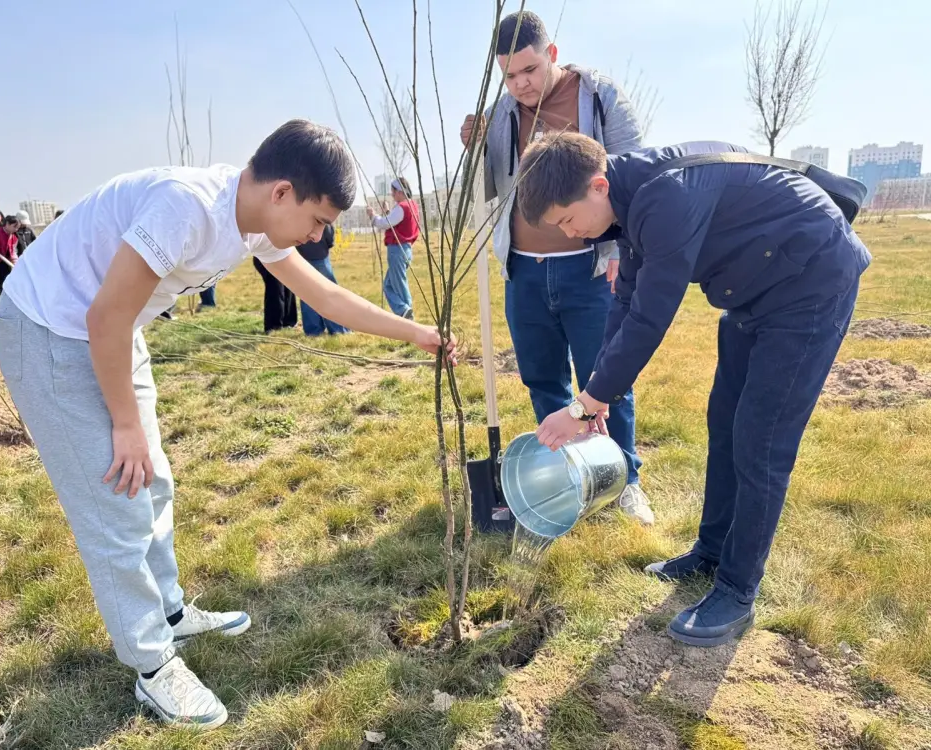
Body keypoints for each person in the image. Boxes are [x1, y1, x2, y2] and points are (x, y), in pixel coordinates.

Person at [0, 119, 455, 730]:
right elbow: (104, 314)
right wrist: (124, 427)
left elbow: (328, 299)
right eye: (318, 221)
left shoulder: (255, 221)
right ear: (282, 193)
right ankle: (153, 667)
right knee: (117, 501)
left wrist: (419, 335)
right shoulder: (185, 209)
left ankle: (170, 614)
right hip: (54, 330)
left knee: (153, 481)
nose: (319, 236)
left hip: (110, 330)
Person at [517, 132, 871, 648]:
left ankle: (736, 590)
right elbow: (627, 302)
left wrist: (584, 405)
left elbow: (650, 318)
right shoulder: (629, 200)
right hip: (757, 291)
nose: (570, 234)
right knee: (724, 422)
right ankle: (710, 551)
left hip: (810, 284)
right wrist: (597, 393)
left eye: (567, 220)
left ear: (597, 185)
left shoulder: (665, 198)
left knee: (761, 440)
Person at [459, 10, 652, 524]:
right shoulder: (502, 116)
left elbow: (634, 179)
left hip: (590, 268)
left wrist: (619, 252)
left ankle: (624, 478)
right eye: (509, 75)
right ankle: (569, 475)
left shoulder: (598, 97)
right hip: (524, 270)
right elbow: (487, 191)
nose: (520, 84)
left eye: (529, 69)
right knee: (542, 378)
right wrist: (474, 150)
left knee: (605, 380)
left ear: (552, 55)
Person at [367, 177, 418, 319]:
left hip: (397, 250)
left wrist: (373, 216)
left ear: (400, 192)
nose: (392, 195)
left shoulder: (402, 207)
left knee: (400, 286)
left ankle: (407, 318)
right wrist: (389, 211)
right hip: (406, 249)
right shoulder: (412, 205)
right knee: (388, 285)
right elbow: (397, 223)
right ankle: (404, 311)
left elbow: (385, 223)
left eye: (393, 192)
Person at [296, 223, 349, 336]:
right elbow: (330, 237)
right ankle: (337, 329)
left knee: (307, 295)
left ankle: (313, 331)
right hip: (321, 257)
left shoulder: (298, 213)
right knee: (329, 293)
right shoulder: (321, 211)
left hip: (302, 258)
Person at [253, 256, 298, 332]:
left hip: (284, 259)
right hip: (269, 260)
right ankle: (273, 326)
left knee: (288, 289)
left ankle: (288, 323)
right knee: (275, 291)